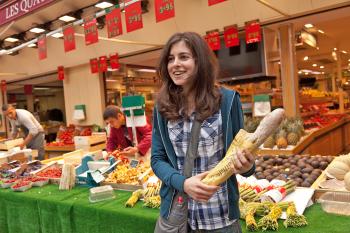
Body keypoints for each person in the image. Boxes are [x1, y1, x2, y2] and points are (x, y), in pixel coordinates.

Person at [151, 32, 255, 233]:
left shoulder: (228, 101)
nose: (175, 64)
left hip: (218, 215)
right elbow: (157, 158)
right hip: (178, 212)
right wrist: (184, 183)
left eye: (184, 57)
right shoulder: (162, 106)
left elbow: (242, 155)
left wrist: (247, 166)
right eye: (170, 59)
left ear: (200, 61)